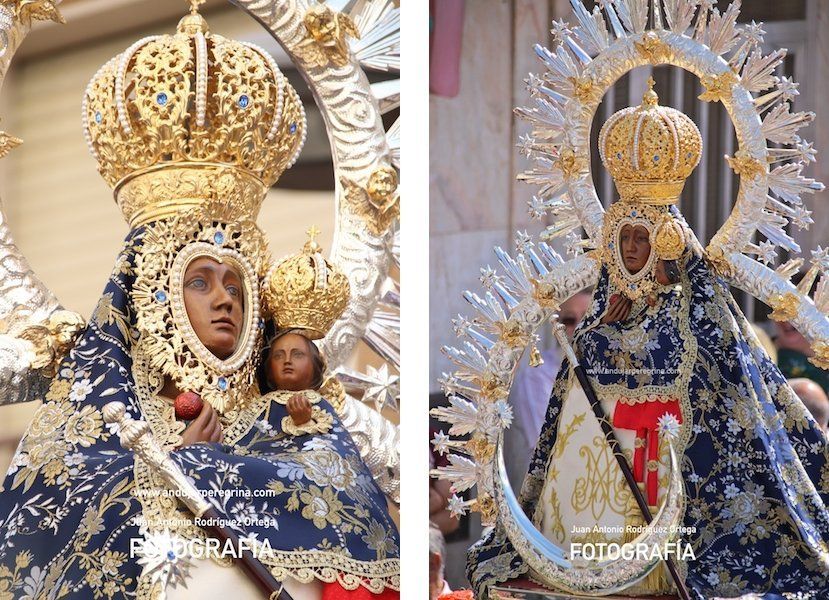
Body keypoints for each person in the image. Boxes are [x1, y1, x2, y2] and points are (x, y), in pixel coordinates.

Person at [0, 6, 400, 598]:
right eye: (200, 281)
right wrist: (181, 469)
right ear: (155, 293)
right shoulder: (95, 450)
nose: (226, 301)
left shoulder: (305, 431)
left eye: (236, 284)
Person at [468, 80, 829, 599]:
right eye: (626, 237)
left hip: (669, 468)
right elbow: (571, 400)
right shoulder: (600, 316)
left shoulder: (701, 312)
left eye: (643, 238)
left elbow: (727, 393)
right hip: (595, 482)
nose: (634, 248)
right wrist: (599, 333)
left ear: (666, 241)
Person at [504, 290, 591, 488]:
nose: (579, 327)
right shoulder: (538, 373)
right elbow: (545, 443)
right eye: (569, 320)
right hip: (564, 485)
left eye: (588, 317)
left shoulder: (619, 367)